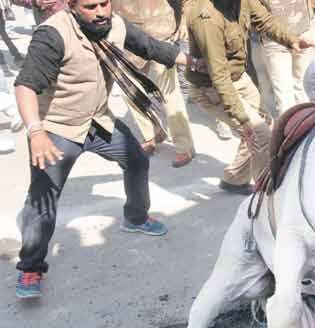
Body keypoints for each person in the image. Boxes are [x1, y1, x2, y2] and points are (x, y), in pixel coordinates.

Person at [13, 0, 200, 299]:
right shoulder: (52, 34)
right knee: (43, 198)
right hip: (57, 129)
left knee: (137, 160)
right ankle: (31, 267)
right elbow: (25, 86)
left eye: (105, 3)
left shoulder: (115, 25)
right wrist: (36, 133)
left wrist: (192, 62)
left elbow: (151, 47)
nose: (100, 11)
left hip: (98, 122)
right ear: (72, 7)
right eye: (90, 6)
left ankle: (136, 217)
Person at [186, 0, 313, 195]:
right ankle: (265, 194)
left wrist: (291, 40)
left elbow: (265, 20)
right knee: (259, 133)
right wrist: (242, 119)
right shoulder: (206, 19)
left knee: (265, 123)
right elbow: (219, 76)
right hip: (213, 88)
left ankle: (235, 179)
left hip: (238, 77)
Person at [113, 0, 196, 167]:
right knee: (129, 91)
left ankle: (184, 145)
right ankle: (152, 135)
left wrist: (184, 21)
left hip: (161, 32)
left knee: (168, 92)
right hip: (128, 36)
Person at [260, 0, 315, 117]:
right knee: (293, 93)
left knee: (297, 91)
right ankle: (300, 131)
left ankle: (303, 130)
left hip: (299, 32)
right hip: (278, 37)